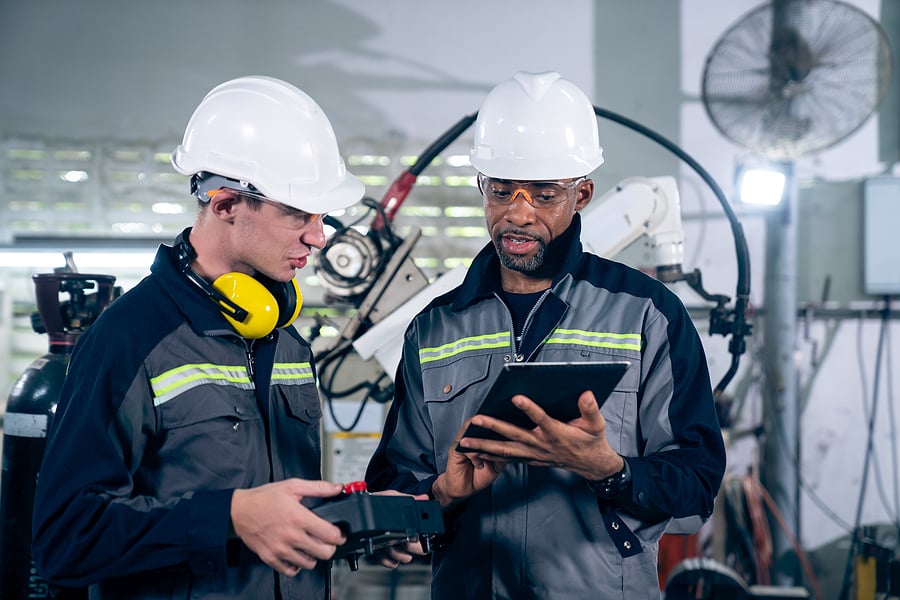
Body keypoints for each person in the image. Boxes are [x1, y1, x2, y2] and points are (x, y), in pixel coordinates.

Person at [31, 76, 419, 600]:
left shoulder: (285, 339)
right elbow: (67, 539)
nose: (318, 236)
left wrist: (358, 522)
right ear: (225, 204)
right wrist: (230, 517)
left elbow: (283, 513)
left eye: (321, 216)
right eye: (297, 214)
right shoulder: (128, 340)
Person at [365, 71, 727, 599]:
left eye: (543, 193)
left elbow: (695, 489)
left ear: (582, 194)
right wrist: (442, 493)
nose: (518, 212)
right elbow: (391, 491)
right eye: (501, 190)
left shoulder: (648, 315)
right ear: (482, 187)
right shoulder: (434, 328)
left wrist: (609, 470)